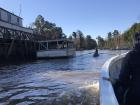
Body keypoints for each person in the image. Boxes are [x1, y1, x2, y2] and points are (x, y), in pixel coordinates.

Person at [118, 31, 140, 105]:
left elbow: (122, 78)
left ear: (135, 41)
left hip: (135, 95)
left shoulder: (130, 56)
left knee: (120, 90)